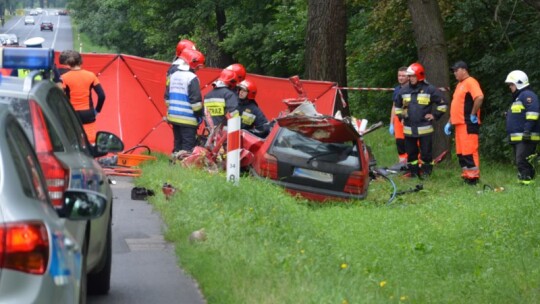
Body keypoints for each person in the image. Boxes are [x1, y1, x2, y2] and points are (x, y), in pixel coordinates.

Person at [394, 62, 448, 178]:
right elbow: (398, 107)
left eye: (412, 76)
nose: (410, 78)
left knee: (426, 154)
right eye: (409, 76)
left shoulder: (430, 89)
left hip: (425, 130)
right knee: (411, 154)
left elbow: (442, 104)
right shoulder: (403, 91)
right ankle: (413, 173)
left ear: (419, 76)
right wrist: (401, 116)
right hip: (409, 129)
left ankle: (426, 174)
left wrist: (434, 115)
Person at [444, 61, 484, 185]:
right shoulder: (459, 85)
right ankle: (467, 176)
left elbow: (479, 97)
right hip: (459, 124)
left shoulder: (471, 82)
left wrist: (473, 114)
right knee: (461, 153)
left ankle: (473, 179)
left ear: (464, 70)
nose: (455, 73)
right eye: (454, 71)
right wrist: (450, 122)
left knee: (469, 151)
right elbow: (456, 106)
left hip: (468, 123)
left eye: (456, 70)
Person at [165, 48, 205, 153]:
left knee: (177, 143)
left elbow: (167, 98)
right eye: (198, 67)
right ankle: (184, 166)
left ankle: (174, 165)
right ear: (193, 64)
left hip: (174, 117)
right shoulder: (192, 78)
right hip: (188, 118)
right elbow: (196, 102)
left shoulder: (173, 76)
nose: (198, 69)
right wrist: (199, 115)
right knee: (188, 146)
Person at [61, 50, 105, 144]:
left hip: (72, 113)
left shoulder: (64, 77)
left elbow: (60, 96)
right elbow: (102, 96)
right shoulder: (91, 75)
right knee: (90, 141)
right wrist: (97, 111)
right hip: (88, 113)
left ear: (68, 63)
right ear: (81, 61)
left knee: (73, 140)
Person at [504, 70, 540, 185]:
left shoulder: (527, 95)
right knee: (521, 162)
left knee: (522, 162)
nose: (510, 87)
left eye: (511, 84)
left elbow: (533, 113)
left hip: (526, 137)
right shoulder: (518, 98)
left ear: (519, 83)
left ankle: (526, 184)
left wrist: (527, 131)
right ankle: (525, 182)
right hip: (520, 138)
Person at [389, 66, 409, 166]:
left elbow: (407, 105)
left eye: (403, 75)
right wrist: (391, 123)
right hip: (397, 119)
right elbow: (394, 106)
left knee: (411, 141)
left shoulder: (411, 88)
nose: (400, 78)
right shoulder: (397, 89)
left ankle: (414, 163)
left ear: (408, 77)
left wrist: (405, 118)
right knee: (400, 142)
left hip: (408, 118)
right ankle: (402, 163)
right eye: (399, 75)